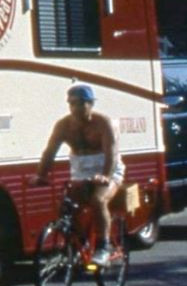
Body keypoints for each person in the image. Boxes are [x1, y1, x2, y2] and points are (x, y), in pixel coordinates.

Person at [33, 83, 123, 265]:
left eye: (81, 103)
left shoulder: (104, 123)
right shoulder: (63, 125)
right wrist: (41, 175)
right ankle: (77, 244)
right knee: (66, 205)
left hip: (106, 166)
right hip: (80, 169)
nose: (76, 108)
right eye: (72, 104)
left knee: (98, 200)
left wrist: (105, 175)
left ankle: (103, 246)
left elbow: (111, 153)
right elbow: (49, 151)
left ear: (90, 104)